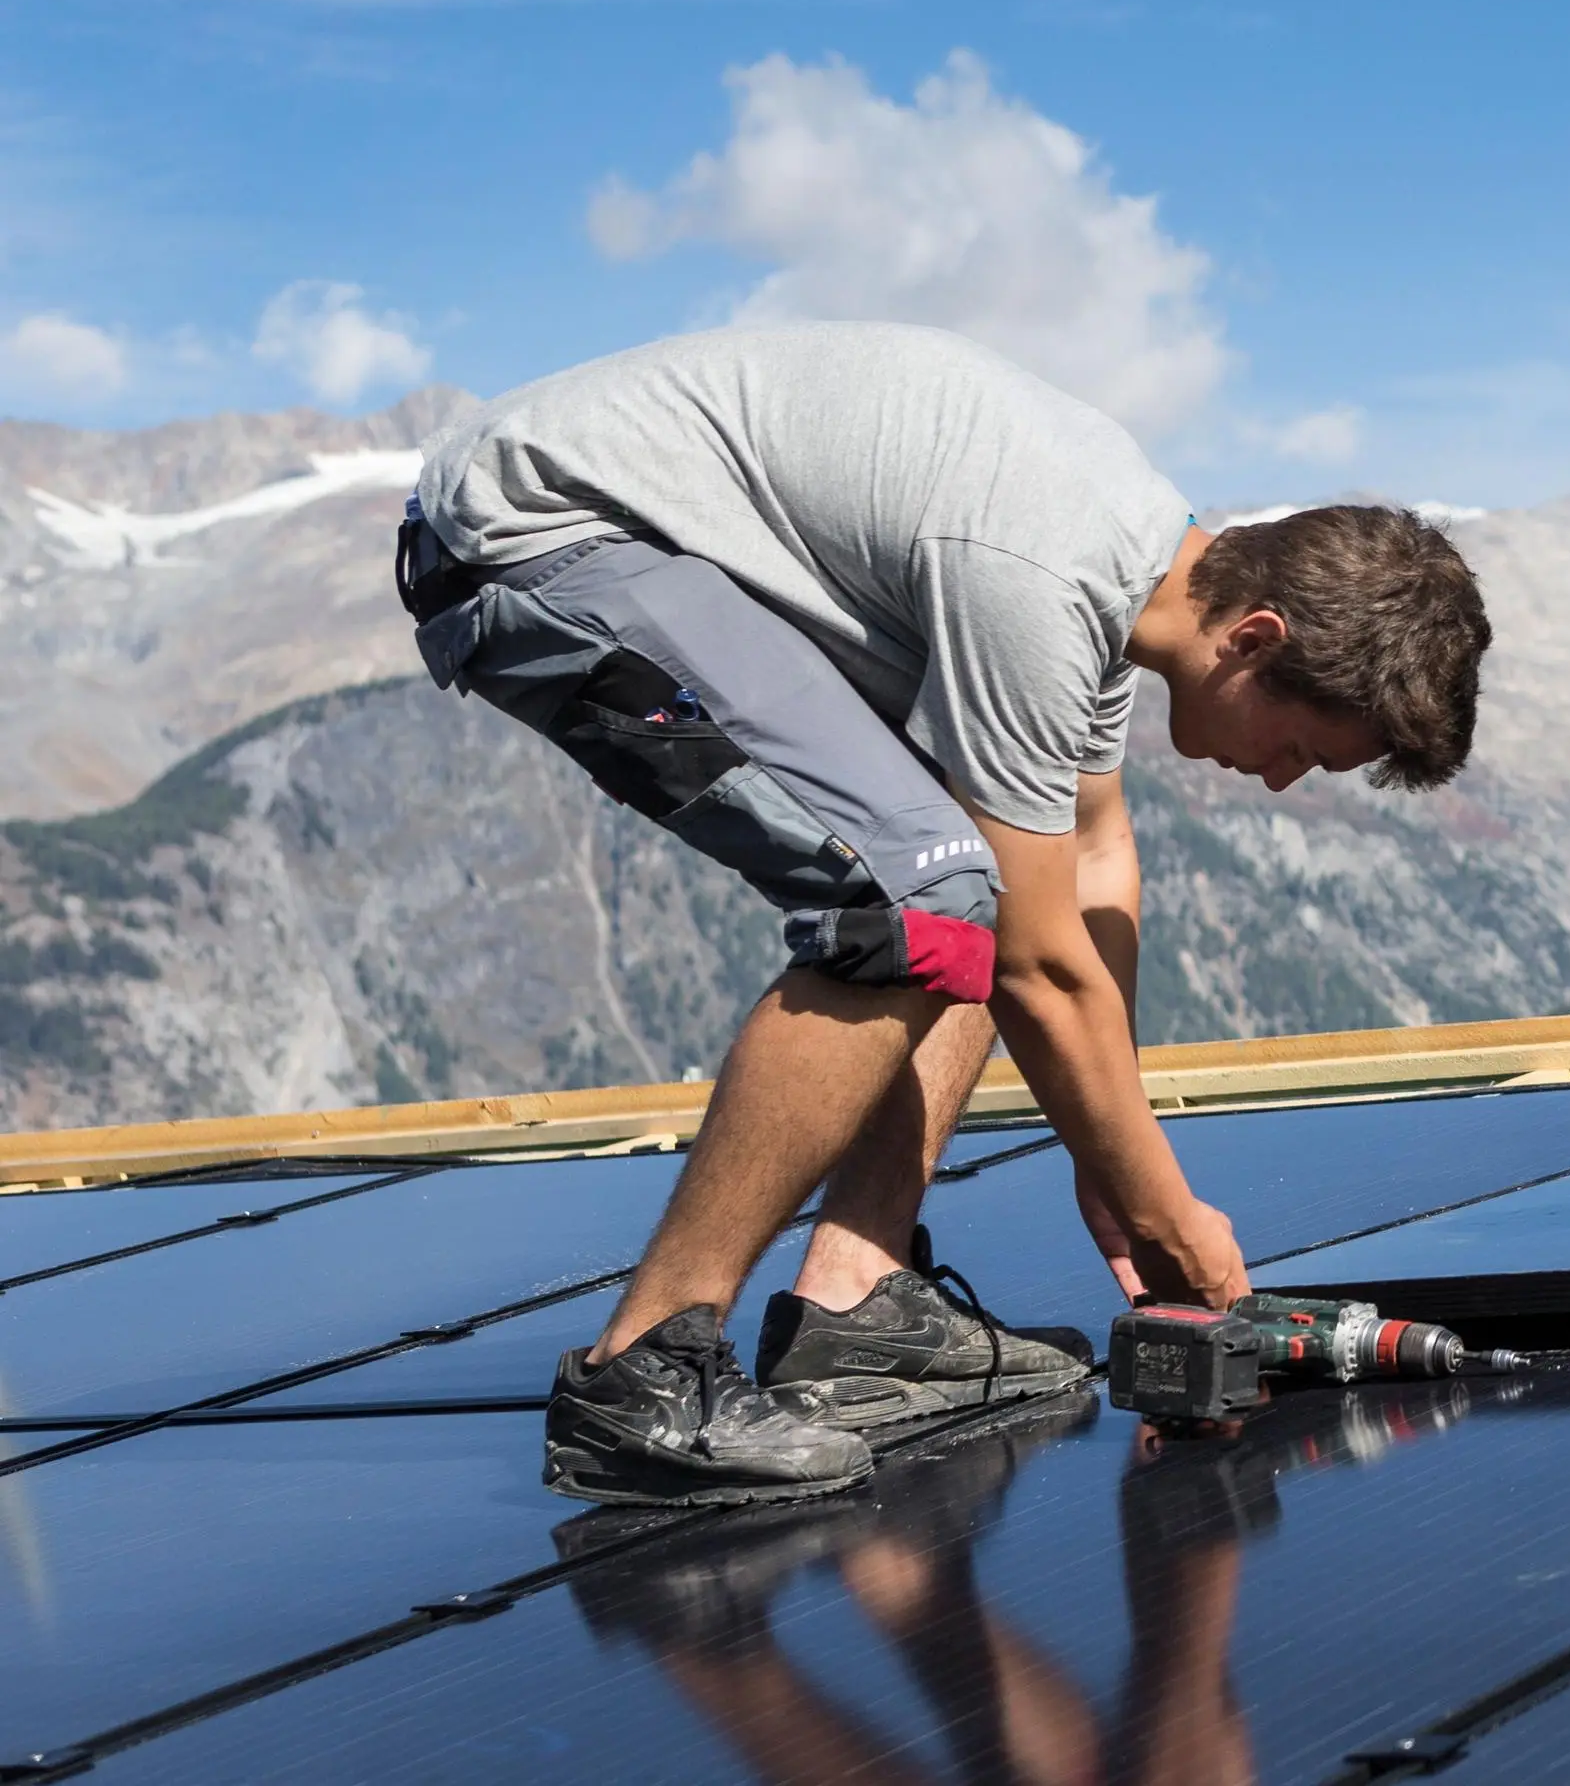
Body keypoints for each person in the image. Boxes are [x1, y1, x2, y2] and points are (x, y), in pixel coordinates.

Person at [399, 320, 1491, 1505]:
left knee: (978, 875)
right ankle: (640, 1377)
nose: (1282, 780)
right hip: (540, 540)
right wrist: (1161, 1206)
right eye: (1302, 751)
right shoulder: (1041, 568)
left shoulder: (1130, 571)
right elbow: (1031, 960)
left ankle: (854, 1303)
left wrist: (1106, 1153)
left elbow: (1084, 862)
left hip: (654, 549)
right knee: (912, 893)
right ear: (1256, 640)